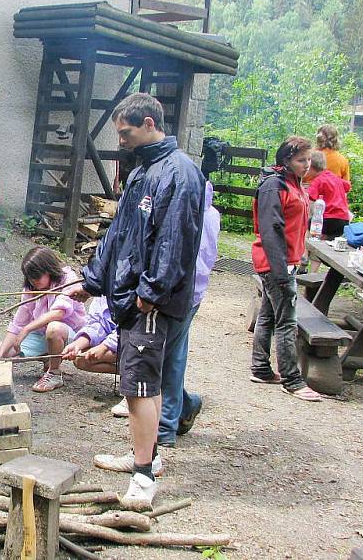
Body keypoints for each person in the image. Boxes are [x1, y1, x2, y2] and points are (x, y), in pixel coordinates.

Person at [68, 93, 206, 507]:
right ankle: (144, 457)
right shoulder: (143, 172)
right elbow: (118, 235)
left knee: (142, 385)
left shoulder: (180, 174)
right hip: (132, 297)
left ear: (148, 123)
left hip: (152, 302)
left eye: (125, 132)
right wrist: (92, 282)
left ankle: (145, 479)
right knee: (135, 385)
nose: (122, 141)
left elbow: (176, 241)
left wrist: (152, 292)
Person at [249, 137, 322, 401]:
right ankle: (292, 379)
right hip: (275, 264)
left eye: (308, 159)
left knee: (268, 315)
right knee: (287, 322)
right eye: (301, 160)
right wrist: (281, 272)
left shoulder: (294, 183)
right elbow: (271, 231)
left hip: (284, 261)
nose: (307, 164)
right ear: (286, 161)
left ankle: (260, 368)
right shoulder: (274, 186)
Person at [157, 180, 221, 447]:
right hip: (190, 292)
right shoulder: (210, 212)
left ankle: (165, 427)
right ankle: (183, 408)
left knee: (163, 359)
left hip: (180, 293)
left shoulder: (190, 215)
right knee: (172, 356)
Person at [0, 246, 86, 392]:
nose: (33, 281)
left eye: (36, 276)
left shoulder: (68, 279)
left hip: (71, 336)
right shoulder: (31, 287)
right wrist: (0, 354)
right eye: (30, 277)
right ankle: (48, 355)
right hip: (43, 335)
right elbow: (18, 323)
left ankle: (54, 372)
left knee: (54, 327)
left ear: (48, 270)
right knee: (0, 350)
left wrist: (27, 329)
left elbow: (59, 313)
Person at [61, 297, 129, 417]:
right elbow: (98, 324)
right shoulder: (101, 296)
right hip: (116, 341)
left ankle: (133, 390)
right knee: (81, 359)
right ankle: (128, 373)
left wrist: (104, 347)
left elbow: (128, 327)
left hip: (139, 341)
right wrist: (78, 344)